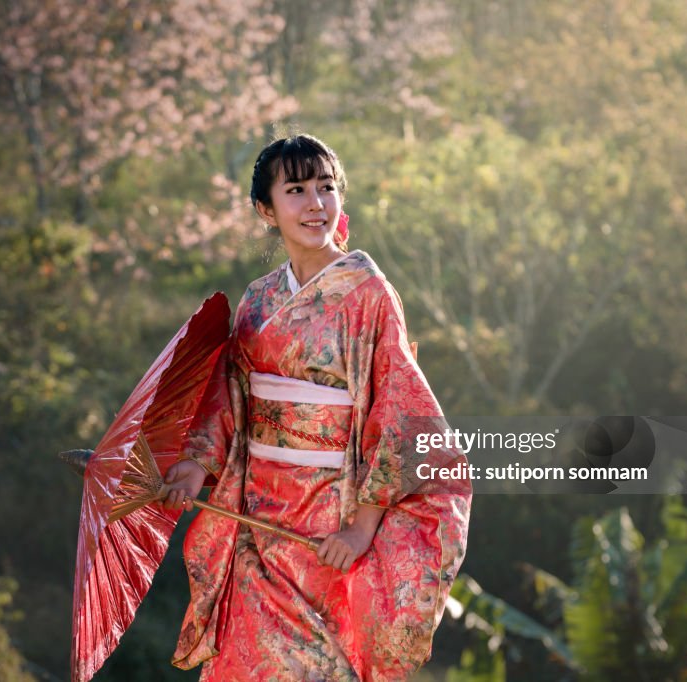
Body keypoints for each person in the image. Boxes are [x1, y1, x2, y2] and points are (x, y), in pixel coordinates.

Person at [161, 134, 472, 681]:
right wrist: (195, 464)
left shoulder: (368, 292)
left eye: (326, 188)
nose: (315, 204)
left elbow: (397, 411)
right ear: (266, 209)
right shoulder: (257, 300)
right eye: (297, 190)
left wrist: (362, 528)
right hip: (257, 517)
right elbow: (227, 397)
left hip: (330, 522)